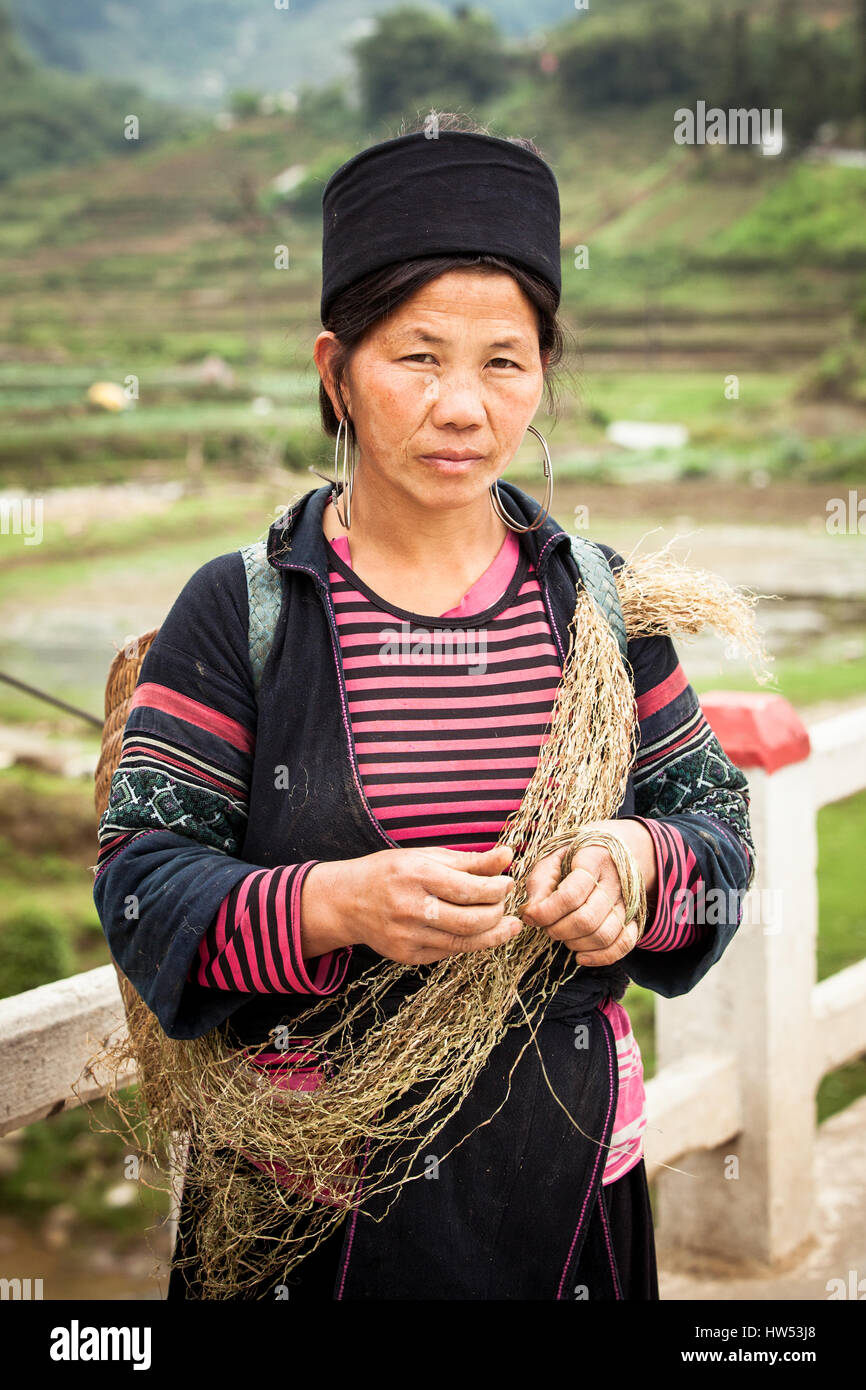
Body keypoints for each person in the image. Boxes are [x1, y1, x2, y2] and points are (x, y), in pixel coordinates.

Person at [93, 114, 756, 1301]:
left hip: (567, 1200)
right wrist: (336, 902)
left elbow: (713, 828)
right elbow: (142, 884)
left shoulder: (601, 605)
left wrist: (634, 863)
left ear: (542, 372)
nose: (462, 405)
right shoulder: (243, 610)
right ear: (333, 370)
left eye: (503, 360)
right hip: (308, 1218)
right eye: (417, 356)